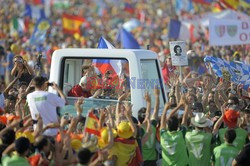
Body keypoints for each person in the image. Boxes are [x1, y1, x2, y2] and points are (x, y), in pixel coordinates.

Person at [160, 96, 189, 166]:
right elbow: (184, 119)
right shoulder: (181, 134)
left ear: (167, 126)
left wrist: (165, 109)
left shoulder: (163, 135)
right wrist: (186, 105)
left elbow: (162, 121)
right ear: (178, 125)